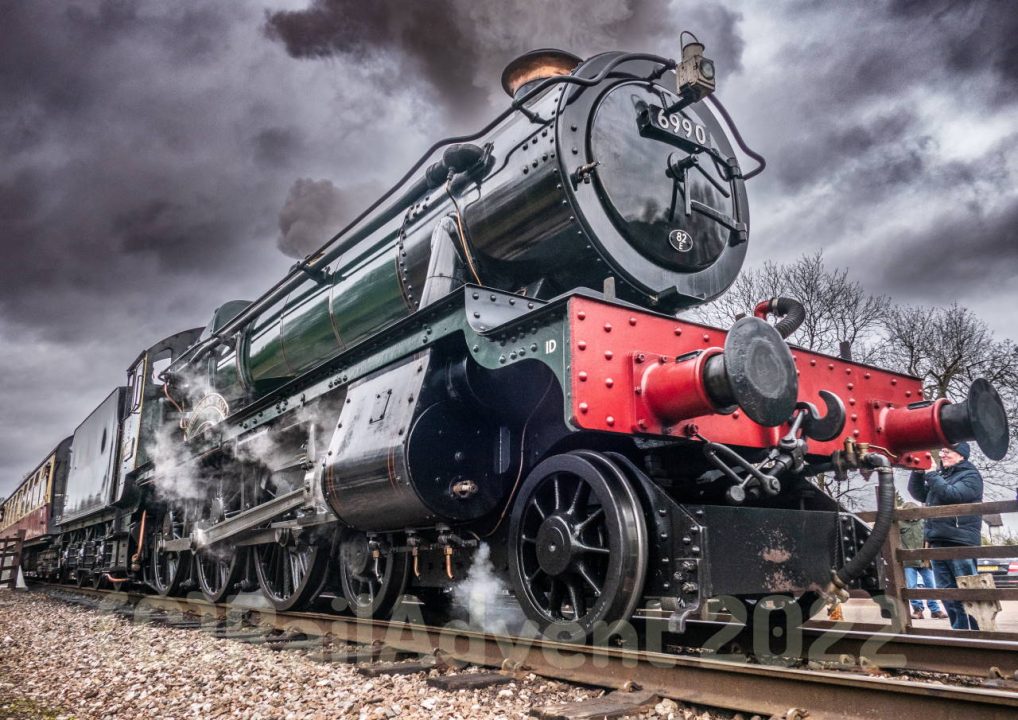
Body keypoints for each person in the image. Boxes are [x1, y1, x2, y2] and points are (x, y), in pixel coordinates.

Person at [907, 442, 983, 630]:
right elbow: (919, 494)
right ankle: (960, 632)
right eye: (942, 451)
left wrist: (932, 474)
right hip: (938, 541)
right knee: (947, 594)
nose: (942, 455)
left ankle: (977, 633)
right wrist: (918, 472)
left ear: (961, 456)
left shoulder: (971, 476)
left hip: (960, 542)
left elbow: (953, 495)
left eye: (947, 452)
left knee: (967, 592)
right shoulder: (941, 476)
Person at [899, 501, 947, 619]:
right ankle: (918, 610)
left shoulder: (923, 521)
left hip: (924, 559)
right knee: (911, 586)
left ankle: (935, 609)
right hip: (908, 560)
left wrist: (928, 555)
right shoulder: (898, 523)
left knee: (931, 584)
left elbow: (930, 537)